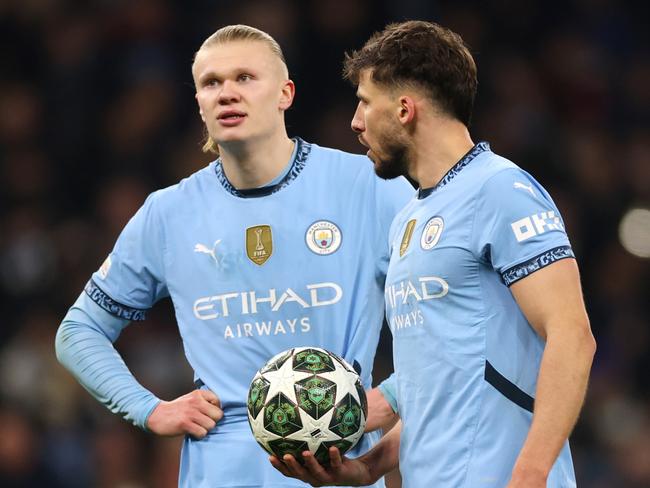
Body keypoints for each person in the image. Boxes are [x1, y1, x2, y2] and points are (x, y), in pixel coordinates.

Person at [55, 24, 411, 488]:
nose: (226, 93)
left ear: (285, 93)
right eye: (211, 83)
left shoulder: (370, 188)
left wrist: (394, 394)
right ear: (200, 104)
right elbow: (78, 331)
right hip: (220, 469)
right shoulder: (168, 213)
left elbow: (456, 314)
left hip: (334, 465)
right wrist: (149, 409)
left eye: (245, 78)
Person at [270, 20, 596, 487]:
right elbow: (440, 383)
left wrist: (530, 473)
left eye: (364, 102)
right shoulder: (409, 216)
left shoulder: (501, 189)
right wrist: (370, 466)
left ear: (404, 109)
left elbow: (572, 336)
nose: (355, 122)